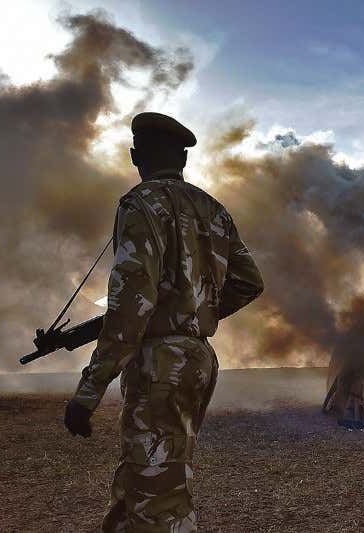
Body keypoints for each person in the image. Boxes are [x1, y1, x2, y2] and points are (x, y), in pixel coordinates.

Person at [64, 112, 264, 531]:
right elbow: (248, 282)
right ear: (184, 161)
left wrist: (89, 391)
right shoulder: (214, 209)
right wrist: (195, 313)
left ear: (136, 155)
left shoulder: (140, 204)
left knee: (158, 497)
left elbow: (131, 303)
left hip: (161, 363)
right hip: (197, 359)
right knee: (148, 478)